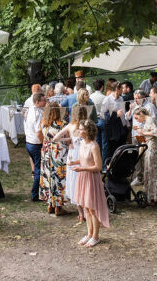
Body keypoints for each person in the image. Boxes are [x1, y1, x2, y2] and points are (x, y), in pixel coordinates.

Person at [70, 119, 110, 247]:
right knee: (86, 207)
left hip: (91, 179)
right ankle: (89, 234)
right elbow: (83, 159)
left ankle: (95, 236)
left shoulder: (94, 146)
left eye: (81, 129)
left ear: (87, 131)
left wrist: (82, 168)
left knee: (92, 208)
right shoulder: (82, 143)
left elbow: (98, 167)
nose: (79, 131)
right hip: (83, 177)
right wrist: (74, 162)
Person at [53, 105, 88, 223]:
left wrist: (68, 140)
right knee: (85, 182)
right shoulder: (87, 125)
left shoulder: (70, 126)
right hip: (84, 154)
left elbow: (55, 138)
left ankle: (81, 214)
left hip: (73, 155)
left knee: (75, 183)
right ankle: (87, 211)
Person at [38, 103, 68, 216]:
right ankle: (58, 207)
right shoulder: (62, 124)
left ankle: (50, 204)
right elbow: (66, 139)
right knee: (58, 178)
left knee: (48, 176)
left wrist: (46, 143)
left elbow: (39, 135)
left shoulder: (43, 123)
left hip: (46, 151)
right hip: (58, 153)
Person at [134, 108, 157, 206]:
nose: (137, 120)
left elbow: (156, 133)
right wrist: (141, 131)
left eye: (137, 118)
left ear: (141, 114)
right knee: (151, 172)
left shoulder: (150, 120)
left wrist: (143, 133)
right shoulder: (147, 121)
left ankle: (155, 198)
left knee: (153, 172)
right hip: (150, 146)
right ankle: (154, 197)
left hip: (153, 148)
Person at [24, 92, 45, 202]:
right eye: (43, 100)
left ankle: (38, 192)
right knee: (38, 170)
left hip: (28, 142)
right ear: (37, 102)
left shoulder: (30, 109)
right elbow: (38, 132)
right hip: (35, 143)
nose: (45, 102)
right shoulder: (37, 113)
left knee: (37, 168)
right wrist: (44, 143)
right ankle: (35, 194)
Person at [89, 79, 107, 160]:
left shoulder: (90, 97)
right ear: (102, 87)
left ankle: (97, 161)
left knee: (96, 143)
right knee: (104, 143)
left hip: (93, 121)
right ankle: (104, 164)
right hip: (102, 120)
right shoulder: (105, 97)